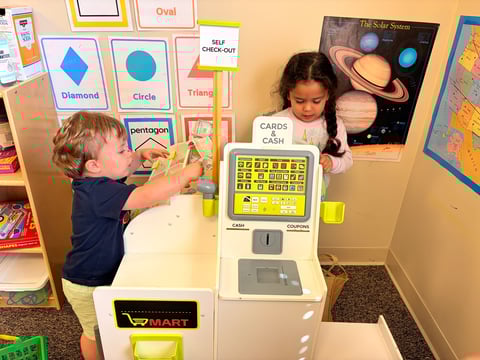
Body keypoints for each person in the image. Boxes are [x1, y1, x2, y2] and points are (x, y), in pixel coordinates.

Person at [51, 111, 202, 360]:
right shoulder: (97, 192)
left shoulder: (97, 180)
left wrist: (140, 158)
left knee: (110, 325)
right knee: (94, 333)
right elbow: (146, 195)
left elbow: (121, 172)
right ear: (94, 166)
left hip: (100, 274)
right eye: (122, 150)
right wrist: (183, 175)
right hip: (86, 282)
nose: (129, 152)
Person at [273, 51, 353, 198]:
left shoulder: (335, 124)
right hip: (278, 196)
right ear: (288, 94)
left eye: (316, 101)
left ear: (327, 95)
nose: (308, 108)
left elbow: (347, 160)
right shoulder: (274, 122)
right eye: (300, 101)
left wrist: (331, 162)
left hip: (314, 199)